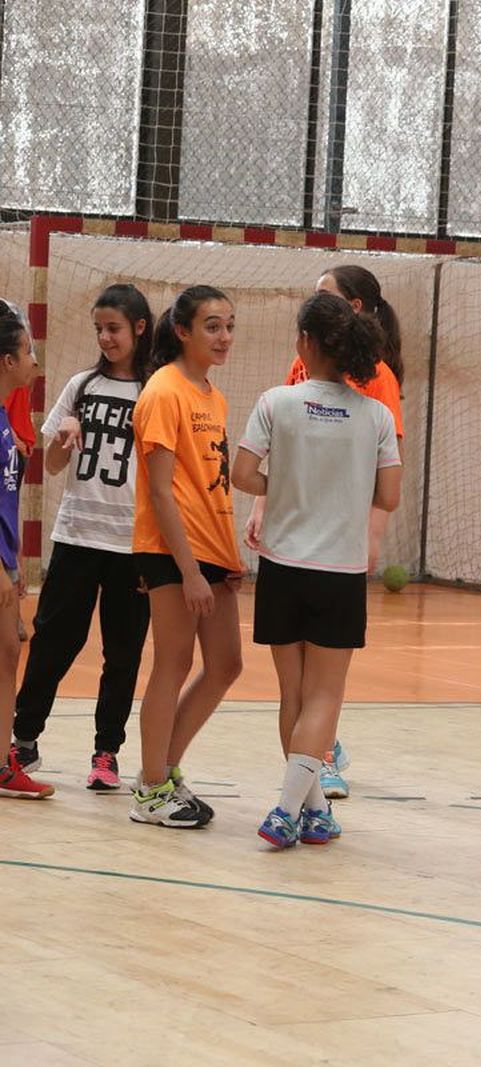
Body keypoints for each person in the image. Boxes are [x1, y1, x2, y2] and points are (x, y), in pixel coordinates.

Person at [234, 292, 402, 849]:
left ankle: (313, 813)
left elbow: (242, 473)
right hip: (339, 571)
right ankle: (287, 810)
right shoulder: (375, 414)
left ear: (305, 343)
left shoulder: (275, 402)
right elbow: (390, 495)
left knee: (293, 696)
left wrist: (281, 487)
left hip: (281, 567)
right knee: (325, 698)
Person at [10, 285, 153, 792]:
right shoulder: (82, 385)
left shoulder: (155, 391)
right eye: (98, 329)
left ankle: (106, 752)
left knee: (123, 652)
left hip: (133, 546)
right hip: (76, 536)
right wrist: (66, 440)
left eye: (113, 327)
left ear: (139, 327)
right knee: (54, 640)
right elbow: (49, 466)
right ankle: (24, 738)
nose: (105, 337)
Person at [128, 286, 244, 828]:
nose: (223, 337)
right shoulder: (163, 391)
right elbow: (160, 491)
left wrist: (228, 557)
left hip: (212, 550)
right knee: (172, 664)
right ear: (182, 331)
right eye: (212, 326)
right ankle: (151, 788)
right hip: (172, 552)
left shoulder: (212, 396)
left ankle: (165, 768)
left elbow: (211, 482)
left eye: (228, 326)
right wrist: (192, 570)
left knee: (225, 665)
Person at [0, 299, 47, 798]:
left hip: (4, 556)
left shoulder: (6, 423)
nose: (36, 360)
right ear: (8, 361)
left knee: (9, 652)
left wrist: (12, 564)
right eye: (28, 351)